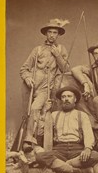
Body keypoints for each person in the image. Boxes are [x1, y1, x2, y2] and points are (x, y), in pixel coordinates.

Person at [20, 18, 70, 151]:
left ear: (58, 35)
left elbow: (66, 69)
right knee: (31, 111)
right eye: (50, 32)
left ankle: (34, 141)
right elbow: (24, 68)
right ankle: (29, 141)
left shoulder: (60, 49)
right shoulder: (37, 50)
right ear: (45, 34)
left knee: (42, 111)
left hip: (49, 88)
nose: (52, 35)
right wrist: (27, 77)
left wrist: (57, 55)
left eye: (55, 32)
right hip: (33, 86)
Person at [35, 86, 98, 173]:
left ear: (75, 99)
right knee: (40, 157)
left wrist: (88, 148)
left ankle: (61, 166)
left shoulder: (82, 115)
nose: (66, 99)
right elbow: (41, 132)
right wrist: (44, 111)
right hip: (59, 150)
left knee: (94, 155)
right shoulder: (53, 115)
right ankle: (78, 171)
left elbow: (88, 133)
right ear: (61, 100)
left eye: (69, 96)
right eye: (63, 97)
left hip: (77, 150)